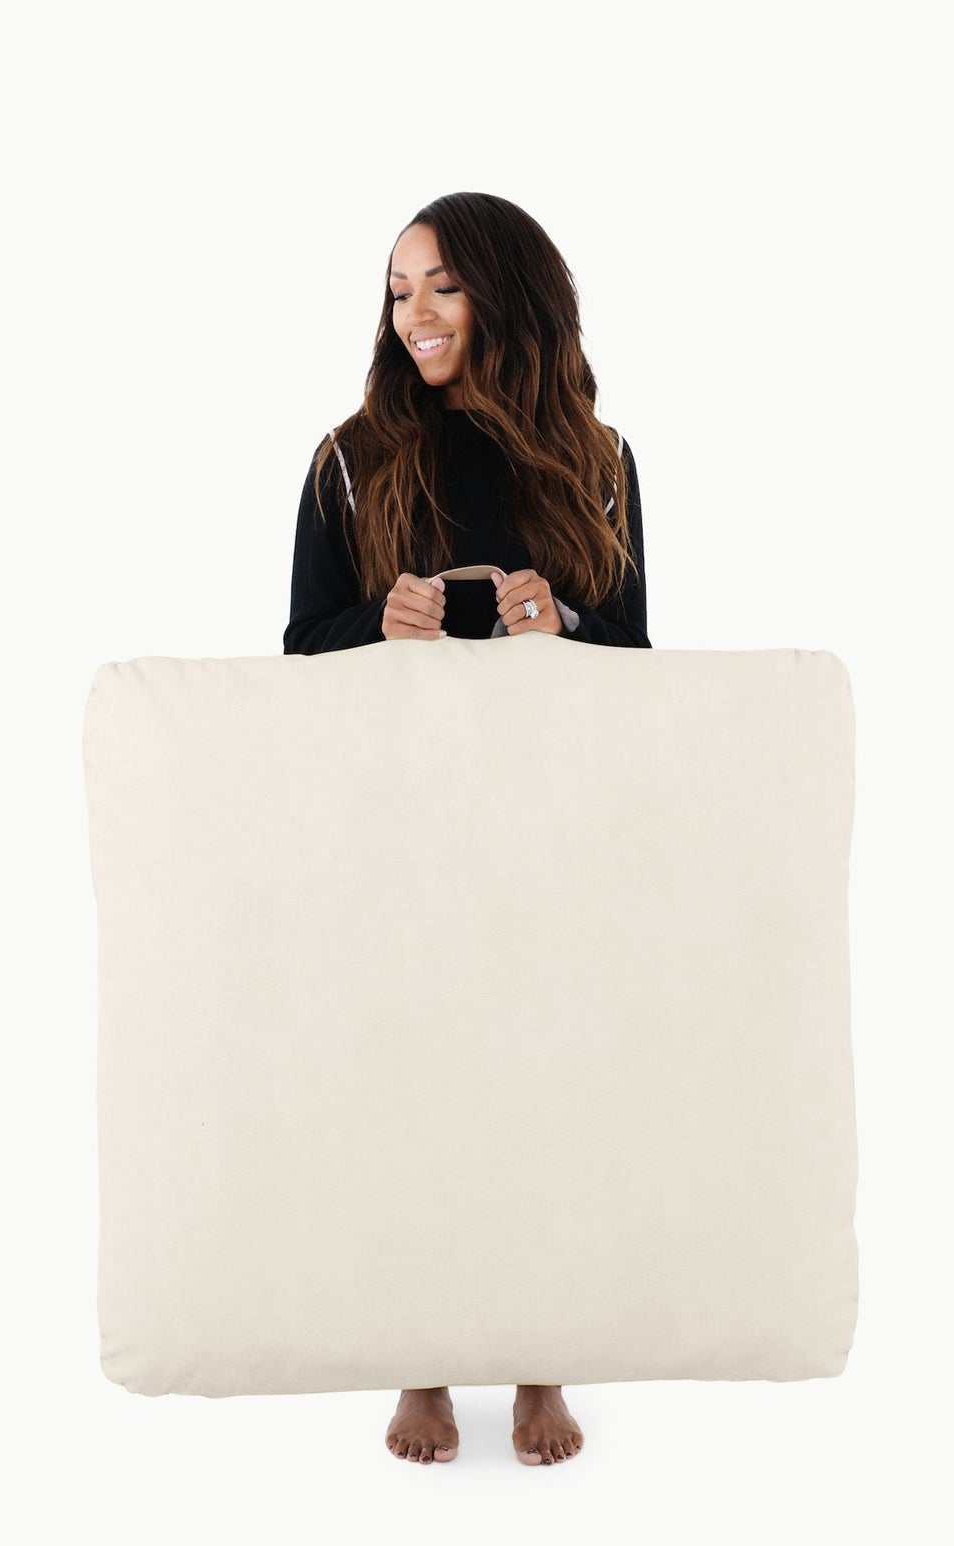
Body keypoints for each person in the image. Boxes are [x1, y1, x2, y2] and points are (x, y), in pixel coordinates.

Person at [282, 193, 651, 1465]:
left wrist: (569, 630)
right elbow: (296, 654)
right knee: (405, 1082)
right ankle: (423, 1362)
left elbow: (640, 662)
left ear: (508, 293)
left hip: (554, 819)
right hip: (395, 821)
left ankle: (540, 1358)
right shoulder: (346, 456)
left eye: (440, 285)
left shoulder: (600, 459)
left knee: (551, 1078)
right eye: (398, 290)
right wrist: (369, 628)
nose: (415, 315)